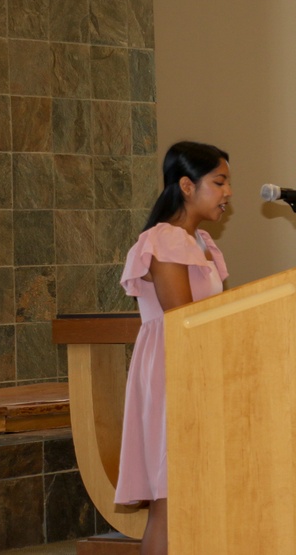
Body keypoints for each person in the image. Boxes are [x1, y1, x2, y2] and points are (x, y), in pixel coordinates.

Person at [116, 141, 232, 555]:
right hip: (174, 369)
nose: (227, 192)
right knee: (171, 498)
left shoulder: (199, 241)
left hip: (200, 365)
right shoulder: (165, 239)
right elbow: (182, 317)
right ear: (186, 185)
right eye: (218, 182)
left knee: (196, 492)